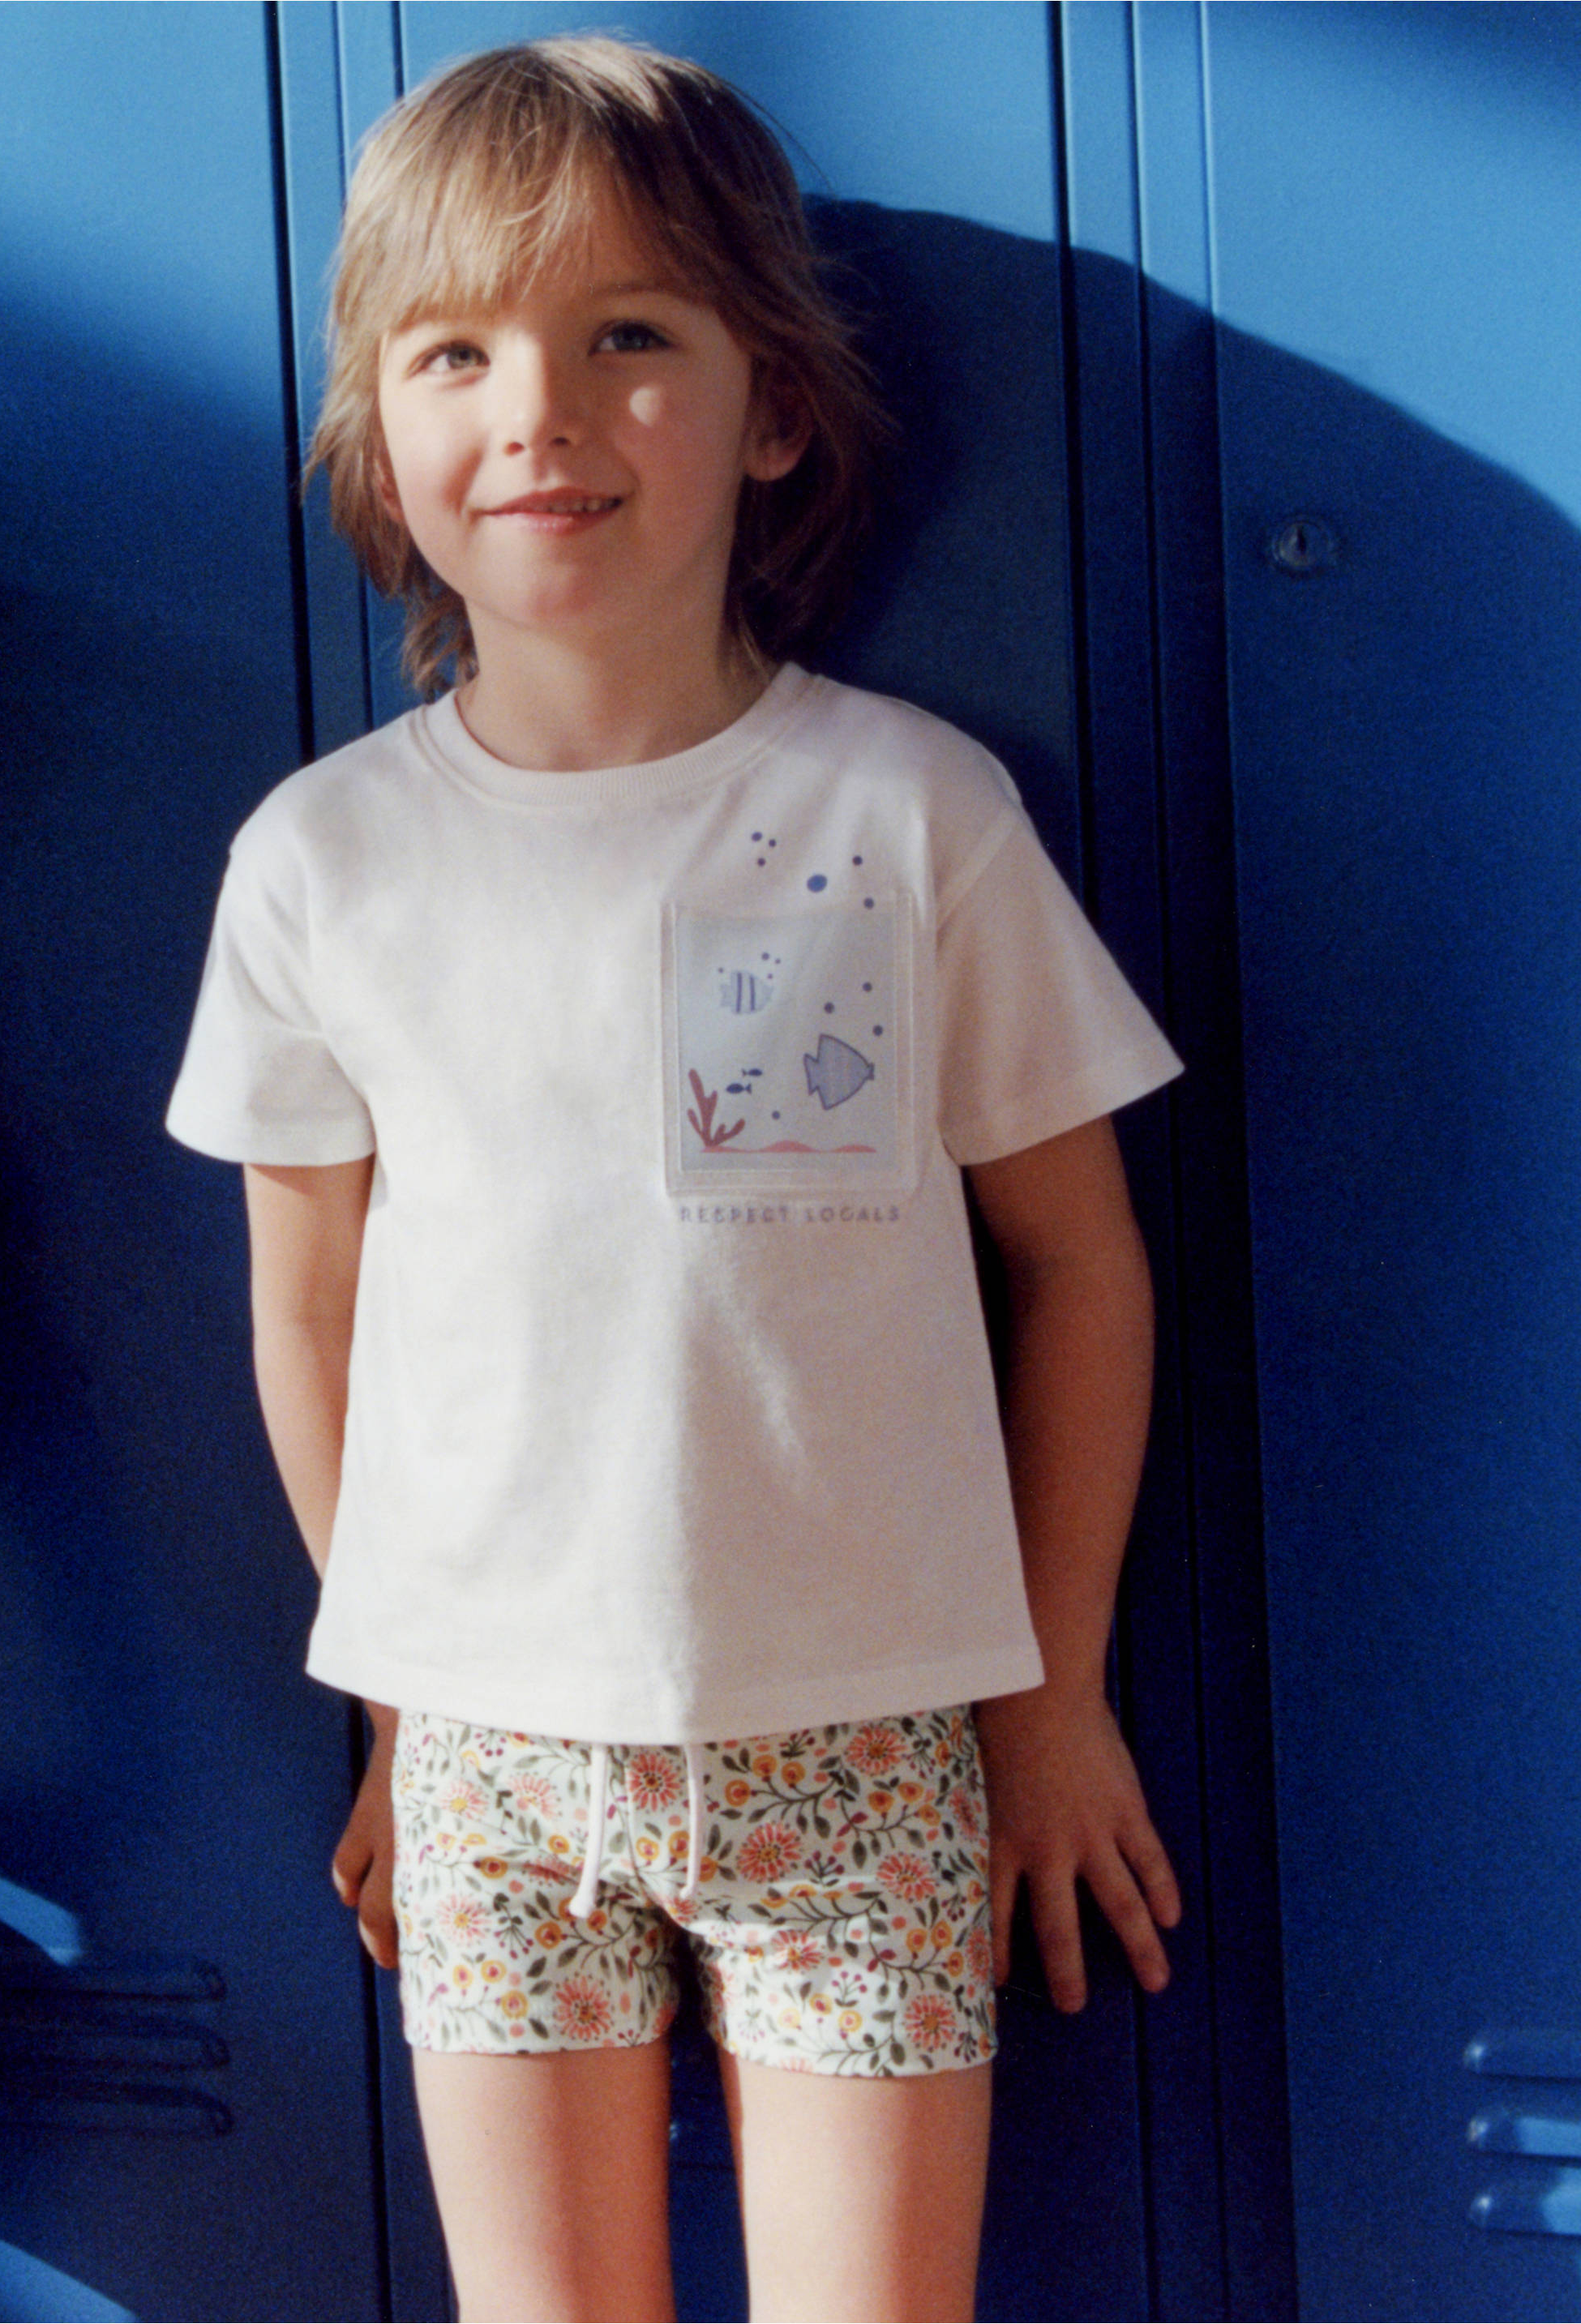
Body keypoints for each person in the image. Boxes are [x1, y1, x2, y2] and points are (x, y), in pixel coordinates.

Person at [167, 35, 1183, 2322]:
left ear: (774, 407)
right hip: (493, 1774)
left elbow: (1081, 1259)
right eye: (459, 351)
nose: (539, 407)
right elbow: (306, 1306)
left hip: (867, 1751)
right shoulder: (324, 864)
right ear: (383, 439)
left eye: (631, 335)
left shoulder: (910, 817)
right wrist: (402, 1692)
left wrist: (1056, 1685)